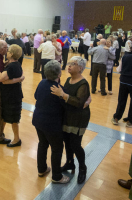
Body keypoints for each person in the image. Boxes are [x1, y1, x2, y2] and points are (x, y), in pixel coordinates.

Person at [50, 56, 91, 185]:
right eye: (68, 63)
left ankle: (83, 168)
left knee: (75, 144)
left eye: (72, 64)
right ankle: (69, 163)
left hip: (78, 118)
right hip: (67, 115)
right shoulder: (68, 79)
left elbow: (79, 102)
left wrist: (62, 95)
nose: (69, 66)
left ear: (80, 68)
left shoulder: (83, 83)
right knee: (67, 142)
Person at [32, 60, 70, 184]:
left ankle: (41, 169)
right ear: (59, 74)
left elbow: (36, 96)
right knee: (57, 148)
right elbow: (66, 106)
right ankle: (56, 176)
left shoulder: (42, 82)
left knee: (42, 144)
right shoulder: (59, 89)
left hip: (38, 119)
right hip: (51, 124)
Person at [0, 44, 23, 147]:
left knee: (13, 119)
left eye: (8, 51)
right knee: (4, 116)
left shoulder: (12, 66)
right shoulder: (15, 64)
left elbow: (0, 79)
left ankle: (17, 139)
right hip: (11, 95)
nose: (6, 52)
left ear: (11, 54)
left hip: (12, 96)